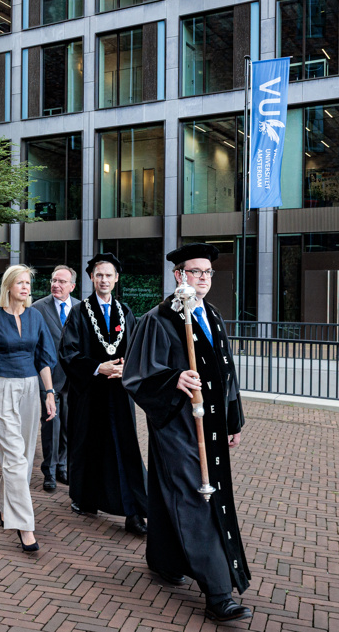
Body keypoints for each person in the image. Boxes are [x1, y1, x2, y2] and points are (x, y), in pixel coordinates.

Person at [122, 243, 252, 623]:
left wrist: (232, 421)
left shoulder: (212, 315)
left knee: (171, 492)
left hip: (210, 427)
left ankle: (163, 559)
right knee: (196, 496)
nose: (203, 279)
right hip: (178, 425)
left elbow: (226, 375)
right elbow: (137, 375)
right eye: (195, 272)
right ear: (178, 275)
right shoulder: (159, 319)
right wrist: (173, 378)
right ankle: (217, 592)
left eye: (207, 273)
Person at [58, 252, 148, 535]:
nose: (104, 280)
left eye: (109, 275)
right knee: (88, 445)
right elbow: (68, 352)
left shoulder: (126, 312)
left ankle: (133, 511)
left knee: (124, 449)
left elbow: (136, 350)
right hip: (89, 393)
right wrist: (98, 367)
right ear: (92, 279)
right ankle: (84, 498)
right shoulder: (79, 312)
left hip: (119, 395)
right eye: (99, 275)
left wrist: (126, 370)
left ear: (117, 278)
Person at [0, 265, 57, 552]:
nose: (25, 287)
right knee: (15, 459)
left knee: (24, 457)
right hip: (2, 388)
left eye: (28, 283)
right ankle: (25, 525)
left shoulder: (36, 316)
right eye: (19, 283)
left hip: (31, 388)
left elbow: (44, 358)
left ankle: (4, 504)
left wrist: (49, 392)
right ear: (8, 286)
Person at [32, 265, 79, 492]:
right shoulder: (37, 308)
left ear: (72, 286)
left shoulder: (81, 308)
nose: (56, 285)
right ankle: (49, 472)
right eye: (53, 280)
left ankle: (63, 466)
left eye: (61, 281)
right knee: (52, 424)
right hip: (48, 377)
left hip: (73, 379)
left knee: (69, 424)